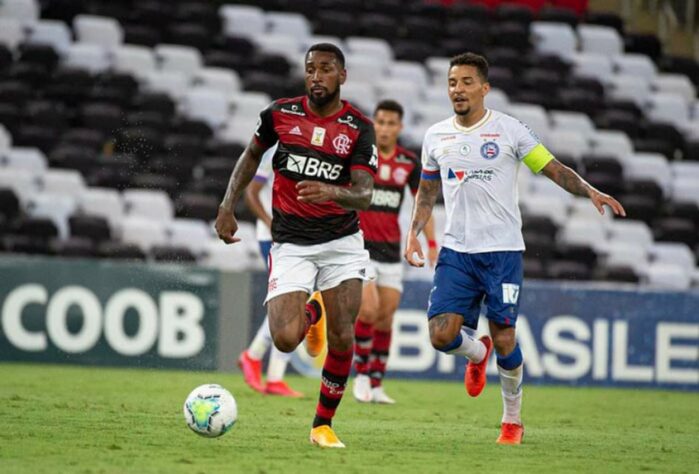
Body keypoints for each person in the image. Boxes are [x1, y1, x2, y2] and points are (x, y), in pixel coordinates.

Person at [405, 52, 626, 445]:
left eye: (467, 82)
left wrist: (590, 191)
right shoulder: (436, 136)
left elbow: (553, 167)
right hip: (457, 252)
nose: (458, 89)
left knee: (505, 335)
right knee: (440, 336)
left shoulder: (510, 130)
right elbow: (426, 192)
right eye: (453, 82)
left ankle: (511, 421)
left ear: (484, 89)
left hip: (503, 252)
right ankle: (476, 354)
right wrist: (413, 233)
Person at [215, 43, 377, 449]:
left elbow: (364, 195)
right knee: (286, 338)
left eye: (325, 69)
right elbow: (250, 157)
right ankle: (311, 311)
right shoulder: (279, 114)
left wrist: (331, 191)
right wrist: (226, 205)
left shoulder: (358, 126)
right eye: (310, 69)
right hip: (290, 244)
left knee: (343, 336)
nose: (316, 76)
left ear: (342, 75)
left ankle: (322, 424)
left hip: (342, 243)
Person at [352, 100, 438, 404]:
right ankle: (360, 375)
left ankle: (376, 383)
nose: (385, 128)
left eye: (391, 123)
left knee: (386, 320)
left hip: (391, 251)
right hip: (360, 248)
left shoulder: (408, 162)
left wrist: (430, 242)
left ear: (399, 127)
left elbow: (422, 203)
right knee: (368, 310)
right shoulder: (360, 156)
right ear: (373, 123)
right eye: (380, 122)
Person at [237, 144, 304, 398]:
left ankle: (265, 367)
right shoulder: (272, 151)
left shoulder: (310, 146)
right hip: (274, 237)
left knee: (294, 302)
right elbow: (251, 193)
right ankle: (257, 360)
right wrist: (270, 223)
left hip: (298, 236)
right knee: (289, 302)